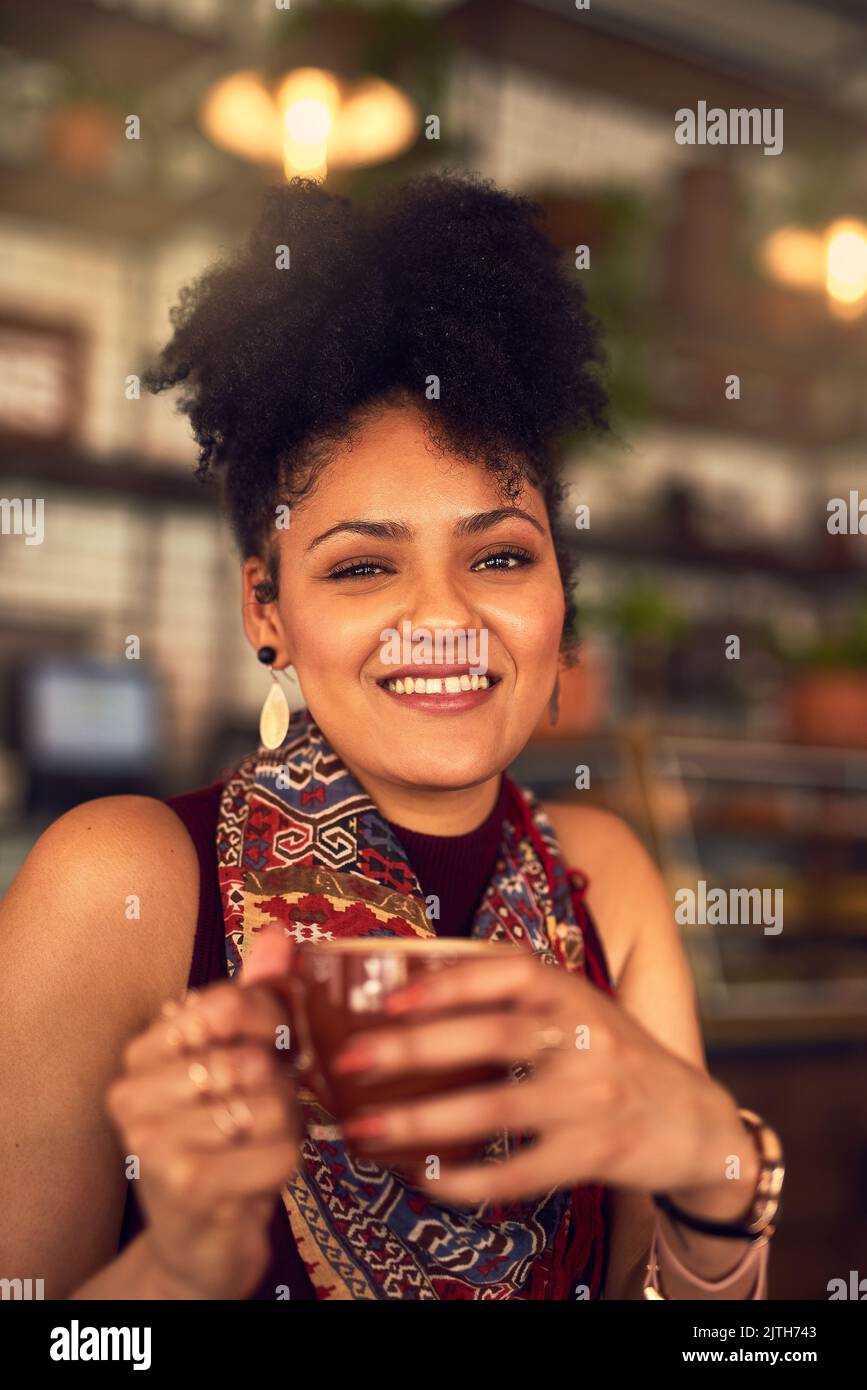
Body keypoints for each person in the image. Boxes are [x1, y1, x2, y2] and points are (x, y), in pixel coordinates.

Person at [0, 171, 782, 1301]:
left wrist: (716, 1161)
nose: (444, 618)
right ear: (266, 609)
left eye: (501, 555)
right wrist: (177, 1268)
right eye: (363, 565)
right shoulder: (121, 883)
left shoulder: (604, 882)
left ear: (561, 594)